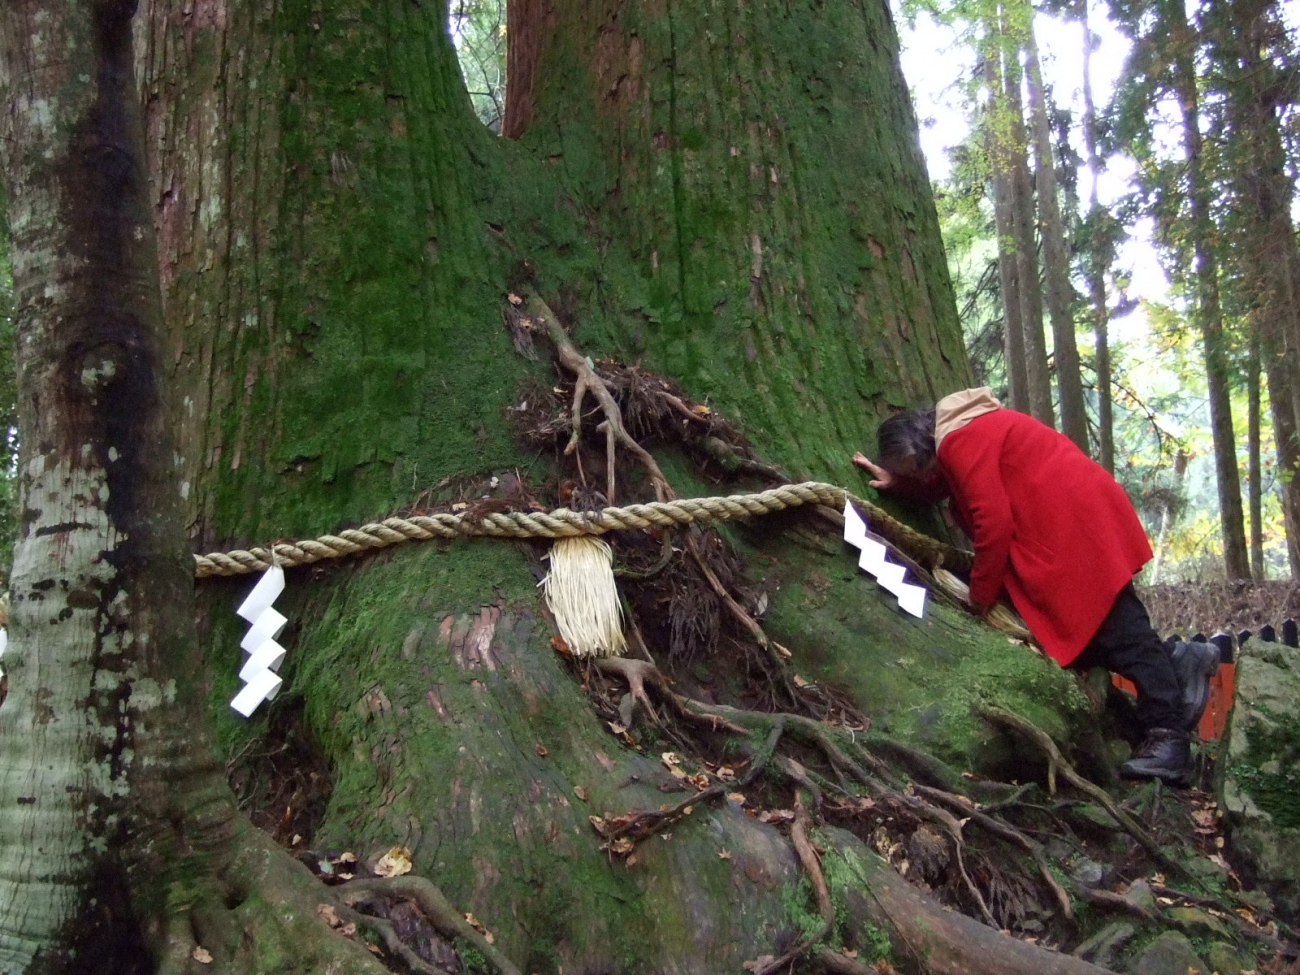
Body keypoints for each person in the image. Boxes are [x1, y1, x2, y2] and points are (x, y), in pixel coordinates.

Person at [854, 387, 1218, 785]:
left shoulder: (959, 440)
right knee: (1094, 633)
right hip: (1072, 517)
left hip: (1070, 525)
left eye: (915, 470)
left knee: (1120, 630)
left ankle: (1170, 740)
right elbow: (946, 481)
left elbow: (992, 522)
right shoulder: (961, 433)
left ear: (926, 448)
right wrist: (902, 485)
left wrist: (979, 596)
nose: (921, 477)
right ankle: (1179, 663)